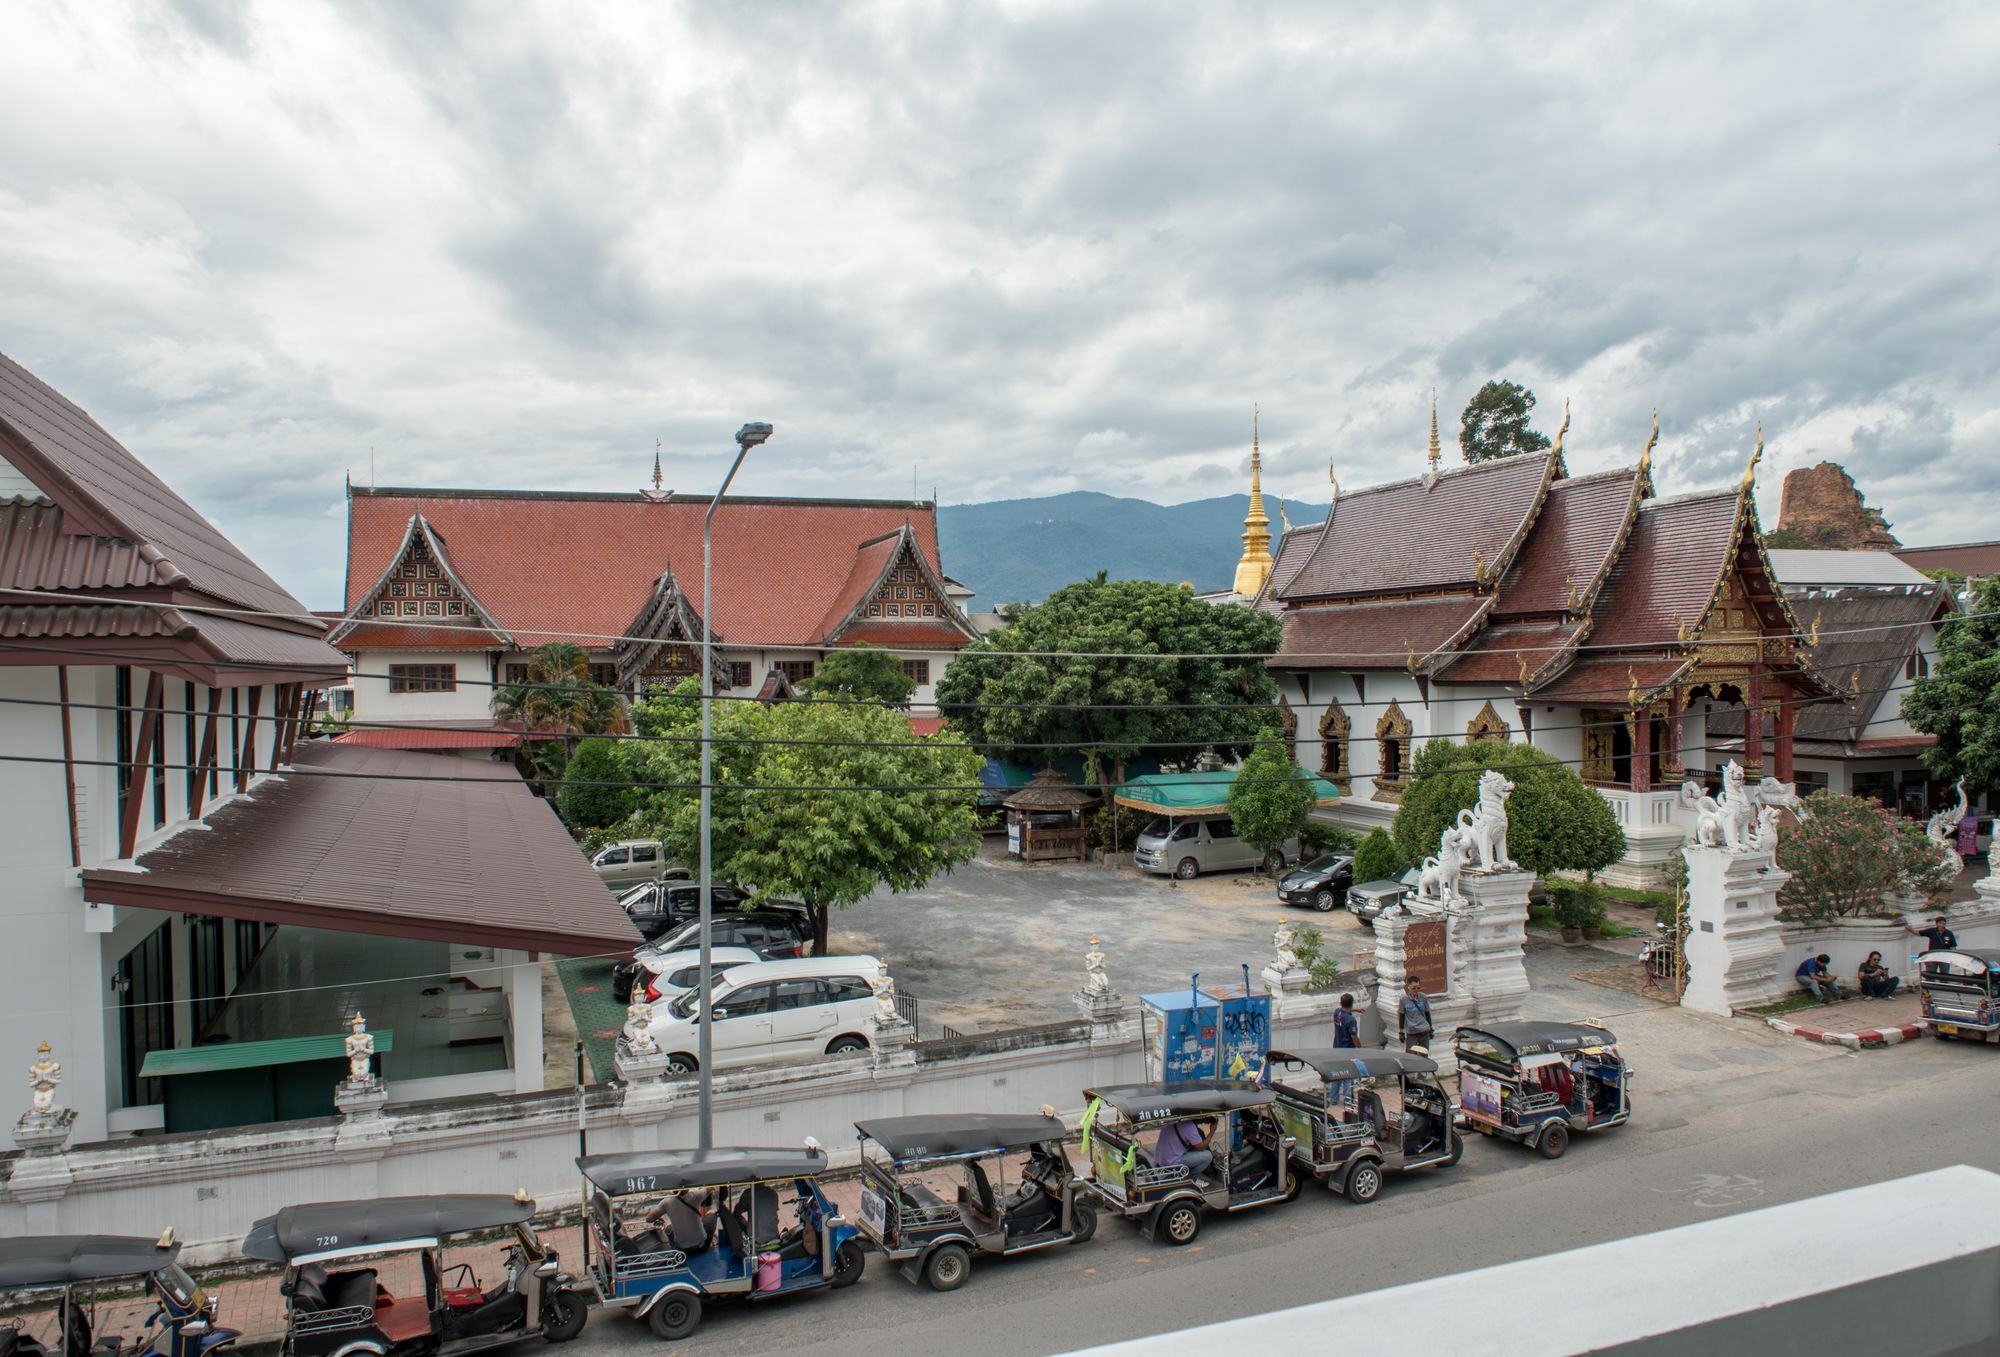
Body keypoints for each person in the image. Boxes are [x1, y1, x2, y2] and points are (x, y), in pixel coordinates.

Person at [1154, 1117, 1215, 1184]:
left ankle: (1187, 1175)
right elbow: (1201, 1147)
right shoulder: (1189, 1126)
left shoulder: (1173, 1119)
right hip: (1170, 1163)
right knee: (1208, 1156)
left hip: (1160, 1160)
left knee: (1197, 1137)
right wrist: (1212, 1131)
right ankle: (1192, 1180)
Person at [1398, 977, 1433, 1051]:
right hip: (1412, 1032)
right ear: (1409, 987)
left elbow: (1427, 1013)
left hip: (1424, 1031)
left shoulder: (1423, 997)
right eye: (1414, 988)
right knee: (1411, 1056)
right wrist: (1401, 1032)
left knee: (1424, 1054)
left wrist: (1430, 1028)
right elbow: (1402, 1016)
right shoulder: (1403, 1000)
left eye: (1418, 987)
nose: (1416, 990)